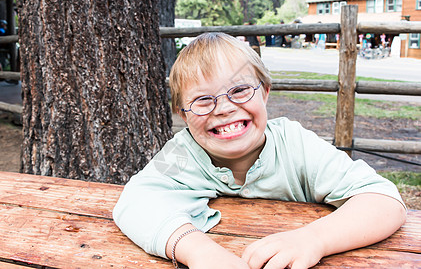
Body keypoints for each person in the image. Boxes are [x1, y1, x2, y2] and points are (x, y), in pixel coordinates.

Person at [113, 32, 406, 269]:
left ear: (265, 92)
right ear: (183, 114)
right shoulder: (182, 153)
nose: (225, 108)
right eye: (203, 100)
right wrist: (198, 251)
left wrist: (313, 239)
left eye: (239, 91)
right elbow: (134, 201)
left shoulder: (294, 145)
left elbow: (383, 201)